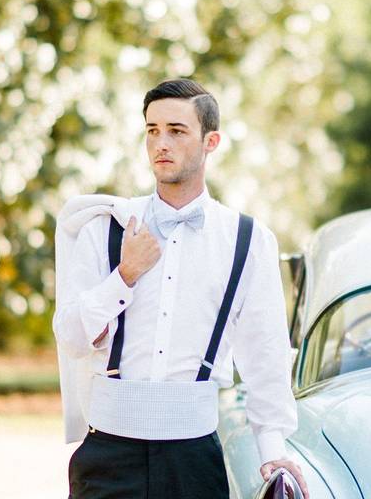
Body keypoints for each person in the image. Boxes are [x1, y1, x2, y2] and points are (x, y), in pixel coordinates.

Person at [53, 78, 309, 499]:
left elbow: (266, 355)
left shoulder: (247, 240)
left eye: (176, 130)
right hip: (108, 457)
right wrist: (124, 276)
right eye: (152, 131)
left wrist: (273, 451)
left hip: (193, 461)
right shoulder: (107, 226)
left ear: (211, 141)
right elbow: (72, 337)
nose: (161, 144)